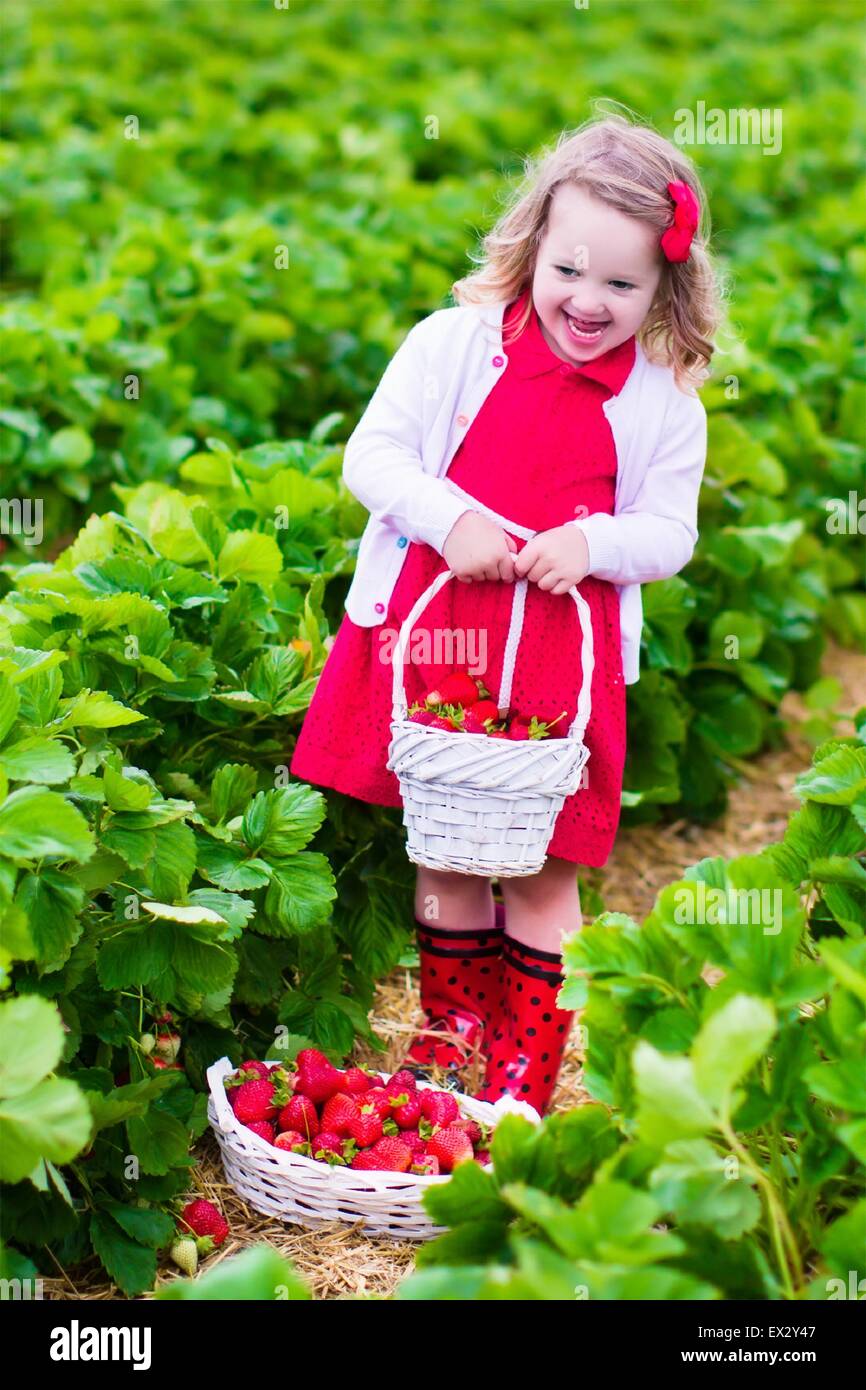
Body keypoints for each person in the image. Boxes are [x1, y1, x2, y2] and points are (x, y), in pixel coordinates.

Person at [291, 112, 724, 1116]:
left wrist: (591, 545)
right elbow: (373, 459)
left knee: (540, 869)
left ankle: (521, 1071)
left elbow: (667, 534)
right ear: (530, 246)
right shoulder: (449, 348)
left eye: (621, 285)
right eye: (568, 270)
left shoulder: (664, 404)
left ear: (664, 288)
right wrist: (448, 518)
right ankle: (449, 1041)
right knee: (444, 849)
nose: (587, 300)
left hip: (552, 671)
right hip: (438, 639)